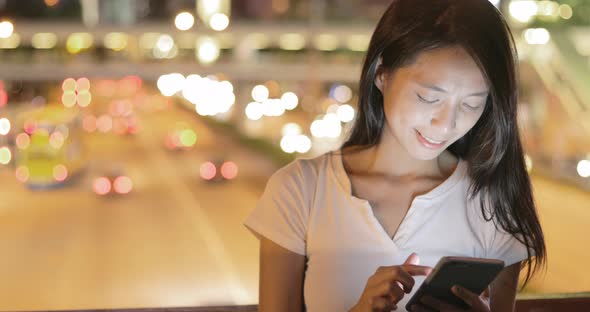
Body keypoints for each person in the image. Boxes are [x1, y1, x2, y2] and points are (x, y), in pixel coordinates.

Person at [244, 0, 546, 311]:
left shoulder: (492, 203)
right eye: (429, 97)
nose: (446, 124)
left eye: (470, 104)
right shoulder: (301, 191)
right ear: (381, 74)